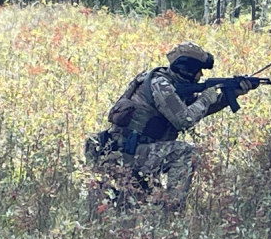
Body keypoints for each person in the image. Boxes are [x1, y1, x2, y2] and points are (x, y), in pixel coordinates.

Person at [84, 42, 256, 211]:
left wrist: (228, 96)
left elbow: (196, 109)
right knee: (186, 153)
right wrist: (205, 98)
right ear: (187, 68)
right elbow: (184, 120)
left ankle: (139, 198)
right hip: (127, 153)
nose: (200, 75)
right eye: (198, 70)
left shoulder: (165, 81)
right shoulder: (161, 86)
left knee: (137, 203)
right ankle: (172, 208)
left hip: (135, 150)